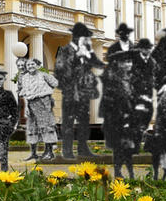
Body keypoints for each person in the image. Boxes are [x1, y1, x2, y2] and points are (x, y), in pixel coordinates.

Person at [54, 22, 104, 158]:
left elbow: (97, 63)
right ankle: (67, 151)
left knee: (83, 122)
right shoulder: (64, 51)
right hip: (70, 93)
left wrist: (93, 55)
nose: (88, 40)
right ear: (77, 37)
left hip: (83, 93)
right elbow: (60, 71)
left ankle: (83, 149)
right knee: (68, 122)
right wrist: (77, 56)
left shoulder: (86, 51)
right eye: (85, 37)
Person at [101, 50, 141, 179]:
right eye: (126, 62)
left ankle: (129, 172)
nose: (129, 64)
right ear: (118, 64)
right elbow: (108, 100)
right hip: (116, 119)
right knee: (119, 147)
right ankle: (118, 171)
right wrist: (121, 115)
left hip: (130, 118)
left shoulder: (130, 79)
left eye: (130, 61)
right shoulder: (112, 79)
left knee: (129, 147)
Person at [18, 58, 59, 160]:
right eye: (28, 65)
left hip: (43, 102)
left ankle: (49, 152)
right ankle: (33, 153)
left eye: (32, 64)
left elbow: (55, 83)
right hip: (31, 103)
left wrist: (46, 93)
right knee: (32, 127)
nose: (30, 66)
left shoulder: (43, 75)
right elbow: (26, 93)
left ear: (37, 65)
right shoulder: (25, 77)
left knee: (46, 126)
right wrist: (27, 106)